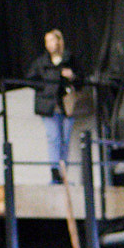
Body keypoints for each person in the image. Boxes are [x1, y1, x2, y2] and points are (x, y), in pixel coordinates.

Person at [26, 28, 79, 182]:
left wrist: (72, 75)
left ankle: (62, 174)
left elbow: (80, 77)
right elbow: (31, 80)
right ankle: (55, 171)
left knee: (65, 141)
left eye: (52, 40)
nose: (49, 44)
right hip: (48, 106)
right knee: (53, 137)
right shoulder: (41, 62)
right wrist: (54, 78)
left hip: (66, 105)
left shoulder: (69, 59)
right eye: (47, 41)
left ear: (59, 41)